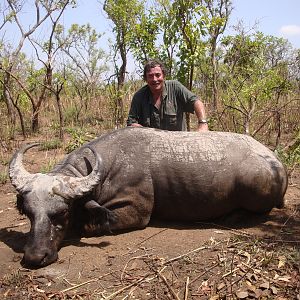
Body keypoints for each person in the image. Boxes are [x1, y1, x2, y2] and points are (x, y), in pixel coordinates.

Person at [127, 59, 209, 132]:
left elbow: (196, 102)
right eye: (150, 76)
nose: (155, 79)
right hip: (150, 144)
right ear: (145, 79)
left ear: (164, 76)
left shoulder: (175, 87)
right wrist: (147, 132)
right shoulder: (139, 96)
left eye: (158, 75)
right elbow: (131, 124)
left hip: (178, 142)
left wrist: (203, 123)